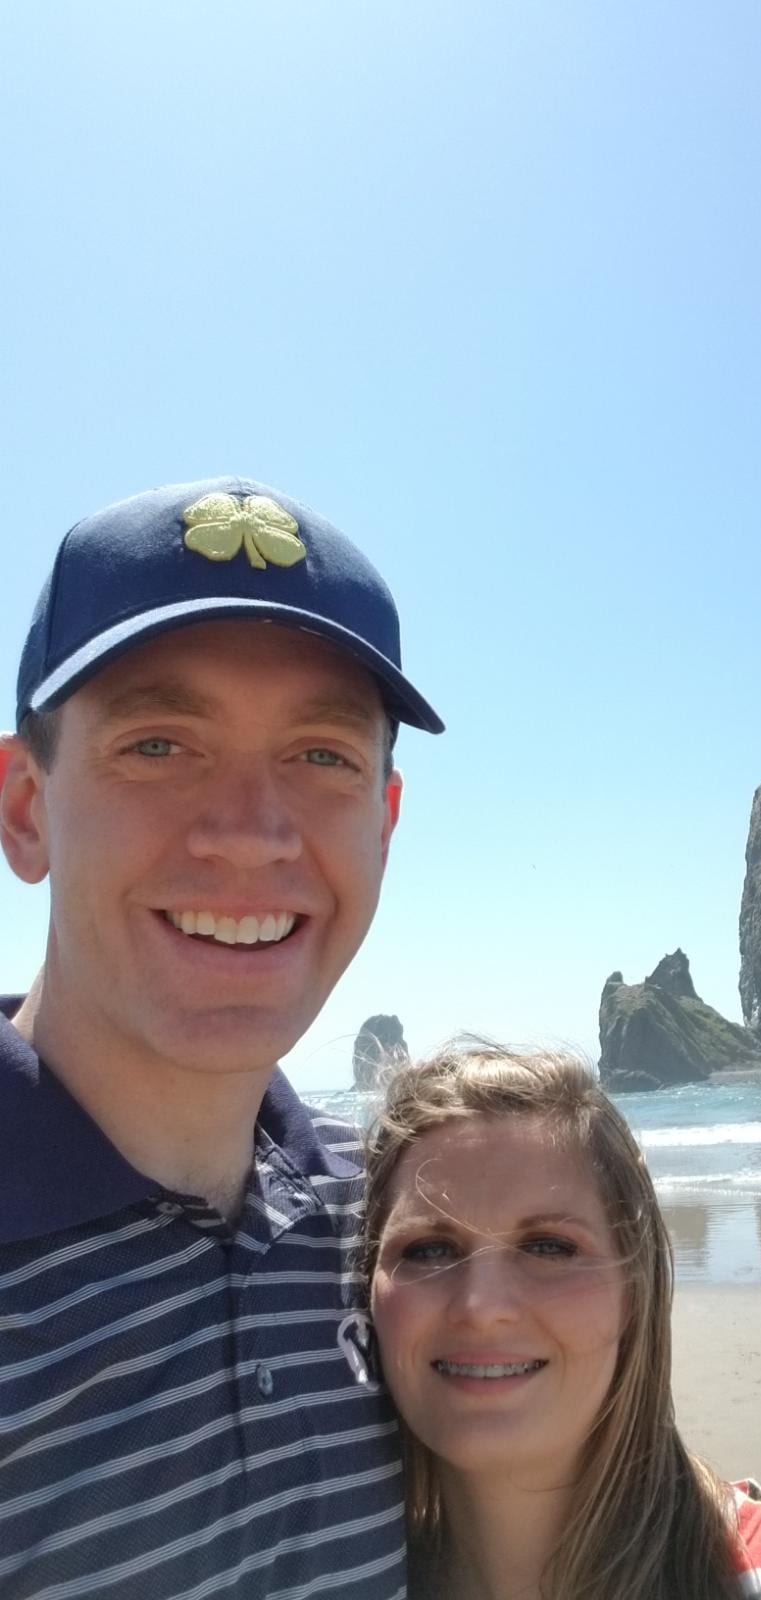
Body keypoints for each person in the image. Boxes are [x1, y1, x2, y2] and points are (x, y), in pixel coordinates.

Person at [0, 477, 443, 1596]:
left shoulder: (403, 1235)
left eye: (321, 755)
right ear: (24, 807)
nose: (250, 835)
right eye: (158, 744)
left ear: (383, 823)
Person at [361, 1042, 761, 1600]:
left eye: (549, 1247)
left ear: (635, 1288)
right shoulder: (304, 1578)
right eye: (429, 1250)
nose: (481, 1307)